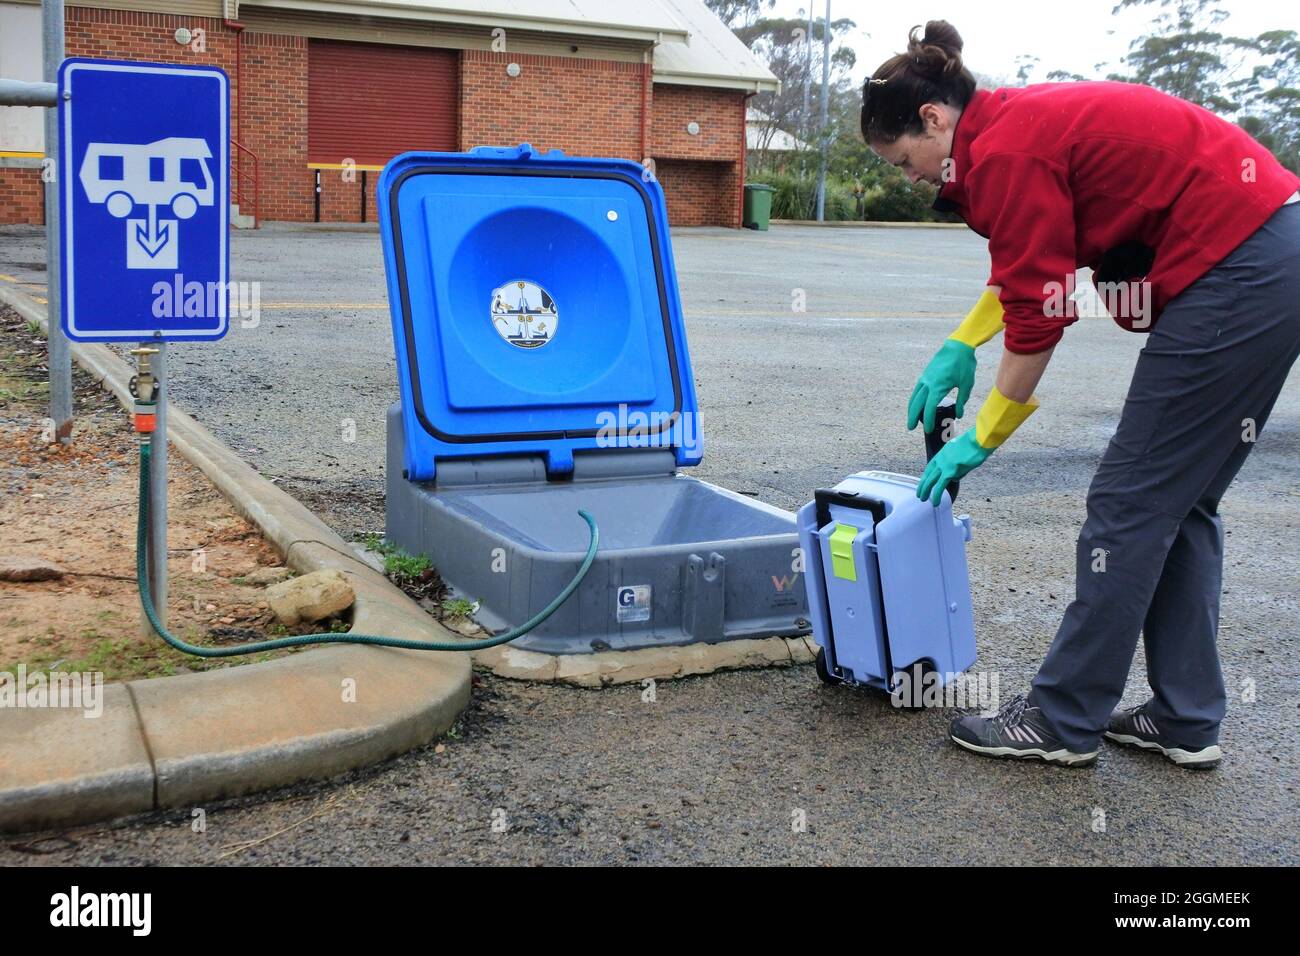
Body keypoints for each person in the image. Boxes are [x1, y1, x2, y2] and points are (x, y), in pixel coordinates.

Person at [861, 20, 1300, 768]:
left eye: (906, 159)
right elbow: (1035, 263)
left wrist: (983, 436)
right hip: (1269, 251)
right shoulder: (1010, 130)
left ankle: (1061, 720)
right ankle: (1185, 717)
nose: (911, 177)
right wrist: (962, 343)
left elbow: (1041, 314)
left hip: (1236, 266)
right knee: (1178, 501)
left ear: (933, 119)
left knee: (1129, 503)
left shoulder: (1003, 149)